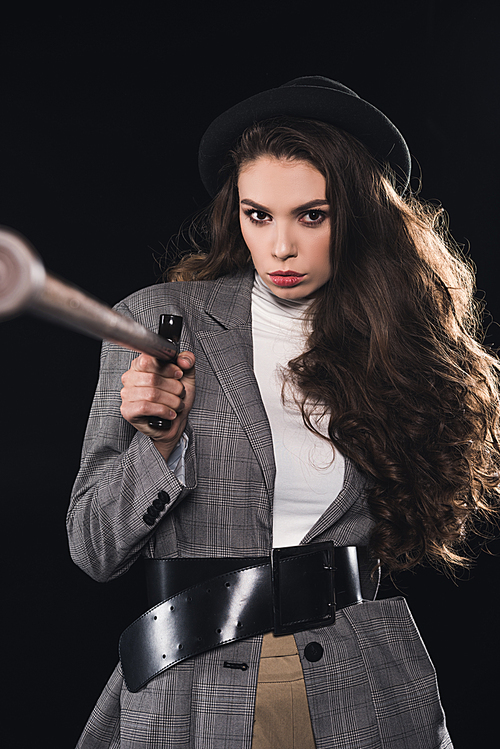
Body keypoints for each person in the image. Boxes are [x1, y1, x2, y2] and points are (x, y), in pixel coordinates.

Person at [67, 77, 500, 749]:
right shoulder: (158, 323)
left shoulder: (393, 342)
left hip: (364, 684)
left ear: (356, 216)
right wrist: (157, 449)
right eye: (258, 214)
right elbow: (93, 547)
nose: (281, 247)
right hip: (193, 687)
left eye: (312, 215)